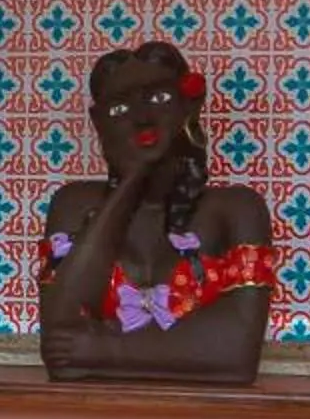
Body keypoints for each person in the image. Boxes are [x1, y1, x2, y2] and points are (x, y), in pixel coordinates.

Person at [37, 40, 277, 384]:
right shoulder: (75, 204)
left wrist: (104, 350)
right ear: (98, 121)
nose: (142, 118)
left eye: (159, 99)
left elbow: (236, 356)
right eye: (119, 109)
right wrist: (131, 180)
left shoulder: (236, 210)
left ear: (189, 104)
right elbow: (59, 352)